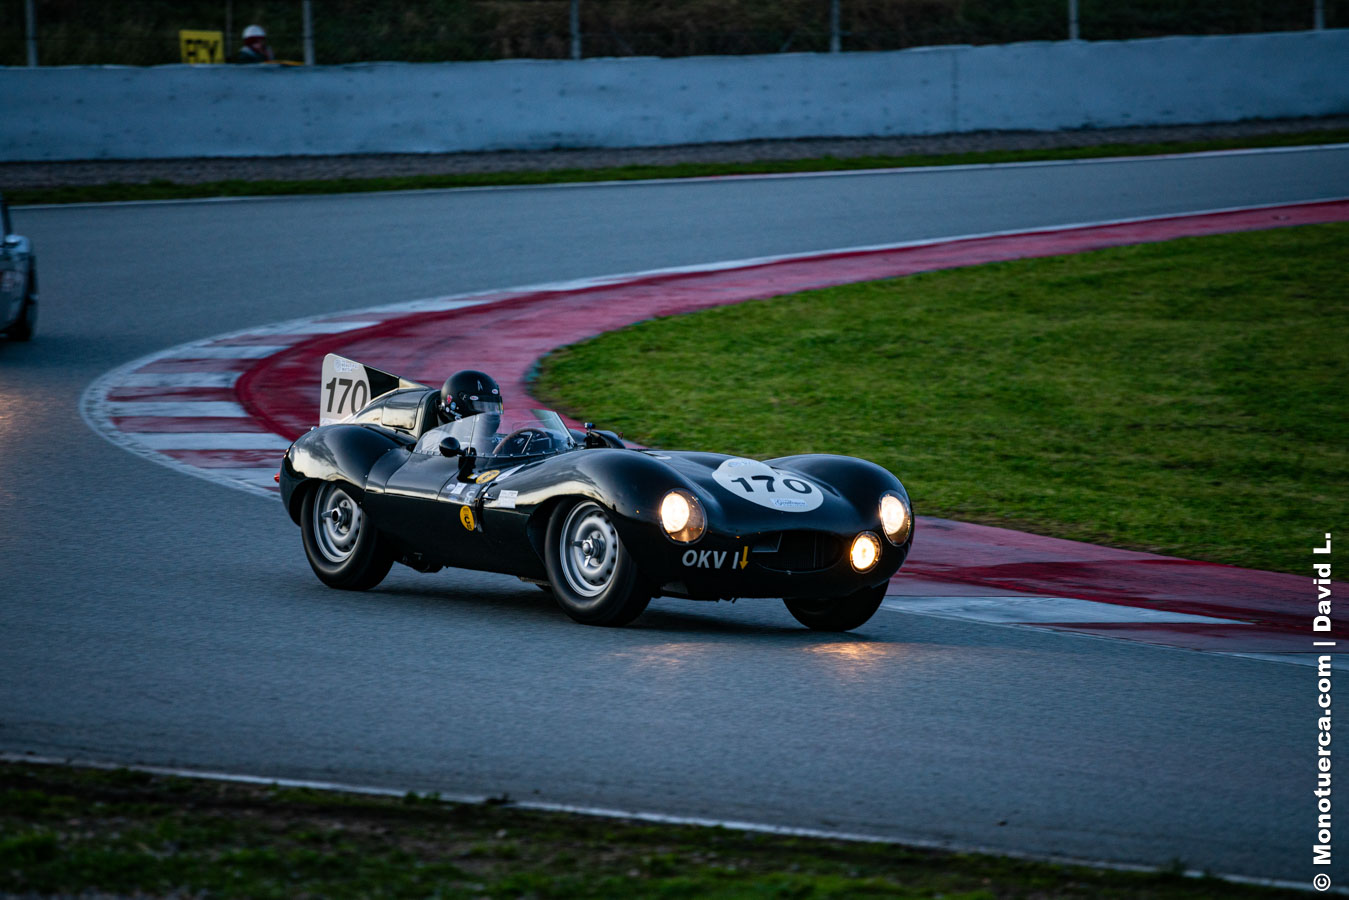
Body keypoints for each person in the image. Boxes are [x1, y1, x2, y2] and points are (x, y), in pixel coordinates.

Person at [413, 370, 503, 455]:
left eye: (492, 407)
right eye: (481, 406)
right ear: (457, 407)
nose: (491, 413)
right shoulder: (436, 440)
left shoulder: (490, 439)